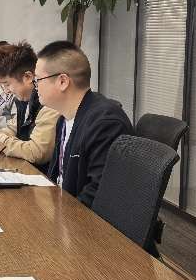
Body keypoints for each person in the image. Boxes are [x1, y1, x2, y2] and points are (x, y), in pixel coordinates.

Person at [34, 41, 133, 207]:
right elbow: (58, 176)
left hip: (82, 219)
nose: (35, 87)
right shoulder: (64, 119)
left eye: (38, 80)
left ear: (62, 81)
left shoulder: (105, 124)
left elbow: (99, 194)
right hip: (62, 208)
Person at [0, 42, 58, 169]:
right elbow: (12, 129)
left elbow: (37, 152)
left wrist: (0, 138)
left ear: (28, 77)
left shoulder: (49, 105)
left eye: (7, 84)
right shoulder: (24, 101)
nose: (7, 91)